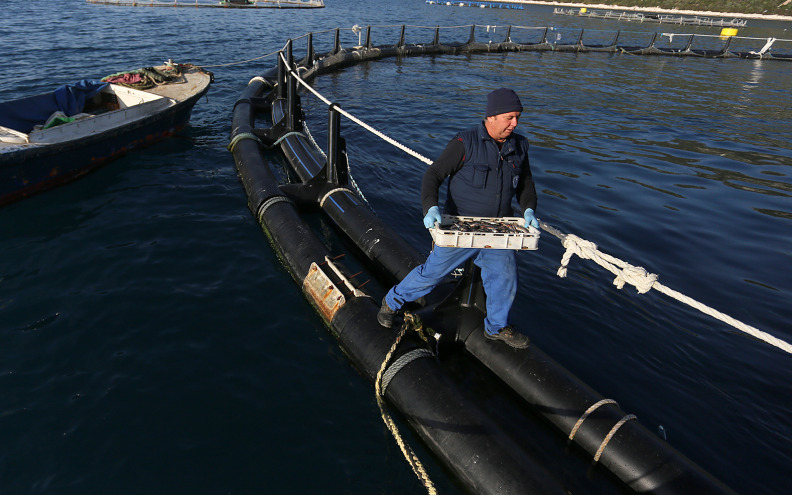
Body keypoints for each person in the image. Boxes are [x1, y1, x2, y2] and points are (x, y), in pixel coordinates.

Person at [377, 88, 539, 349]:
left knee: (505, 276)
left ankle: (496, 327)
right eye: (510, 117)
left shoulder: (519, 146)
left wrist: (528, 209)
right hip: (460, 229)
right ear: (492, 116)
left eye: (517, 117)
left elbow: (526, 184)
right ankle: (390, 303)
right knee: (431, 274)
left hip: (499, 229)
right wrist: (430, 208)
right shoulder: (464, 143)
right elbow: (434, 175)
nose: (515, 123)